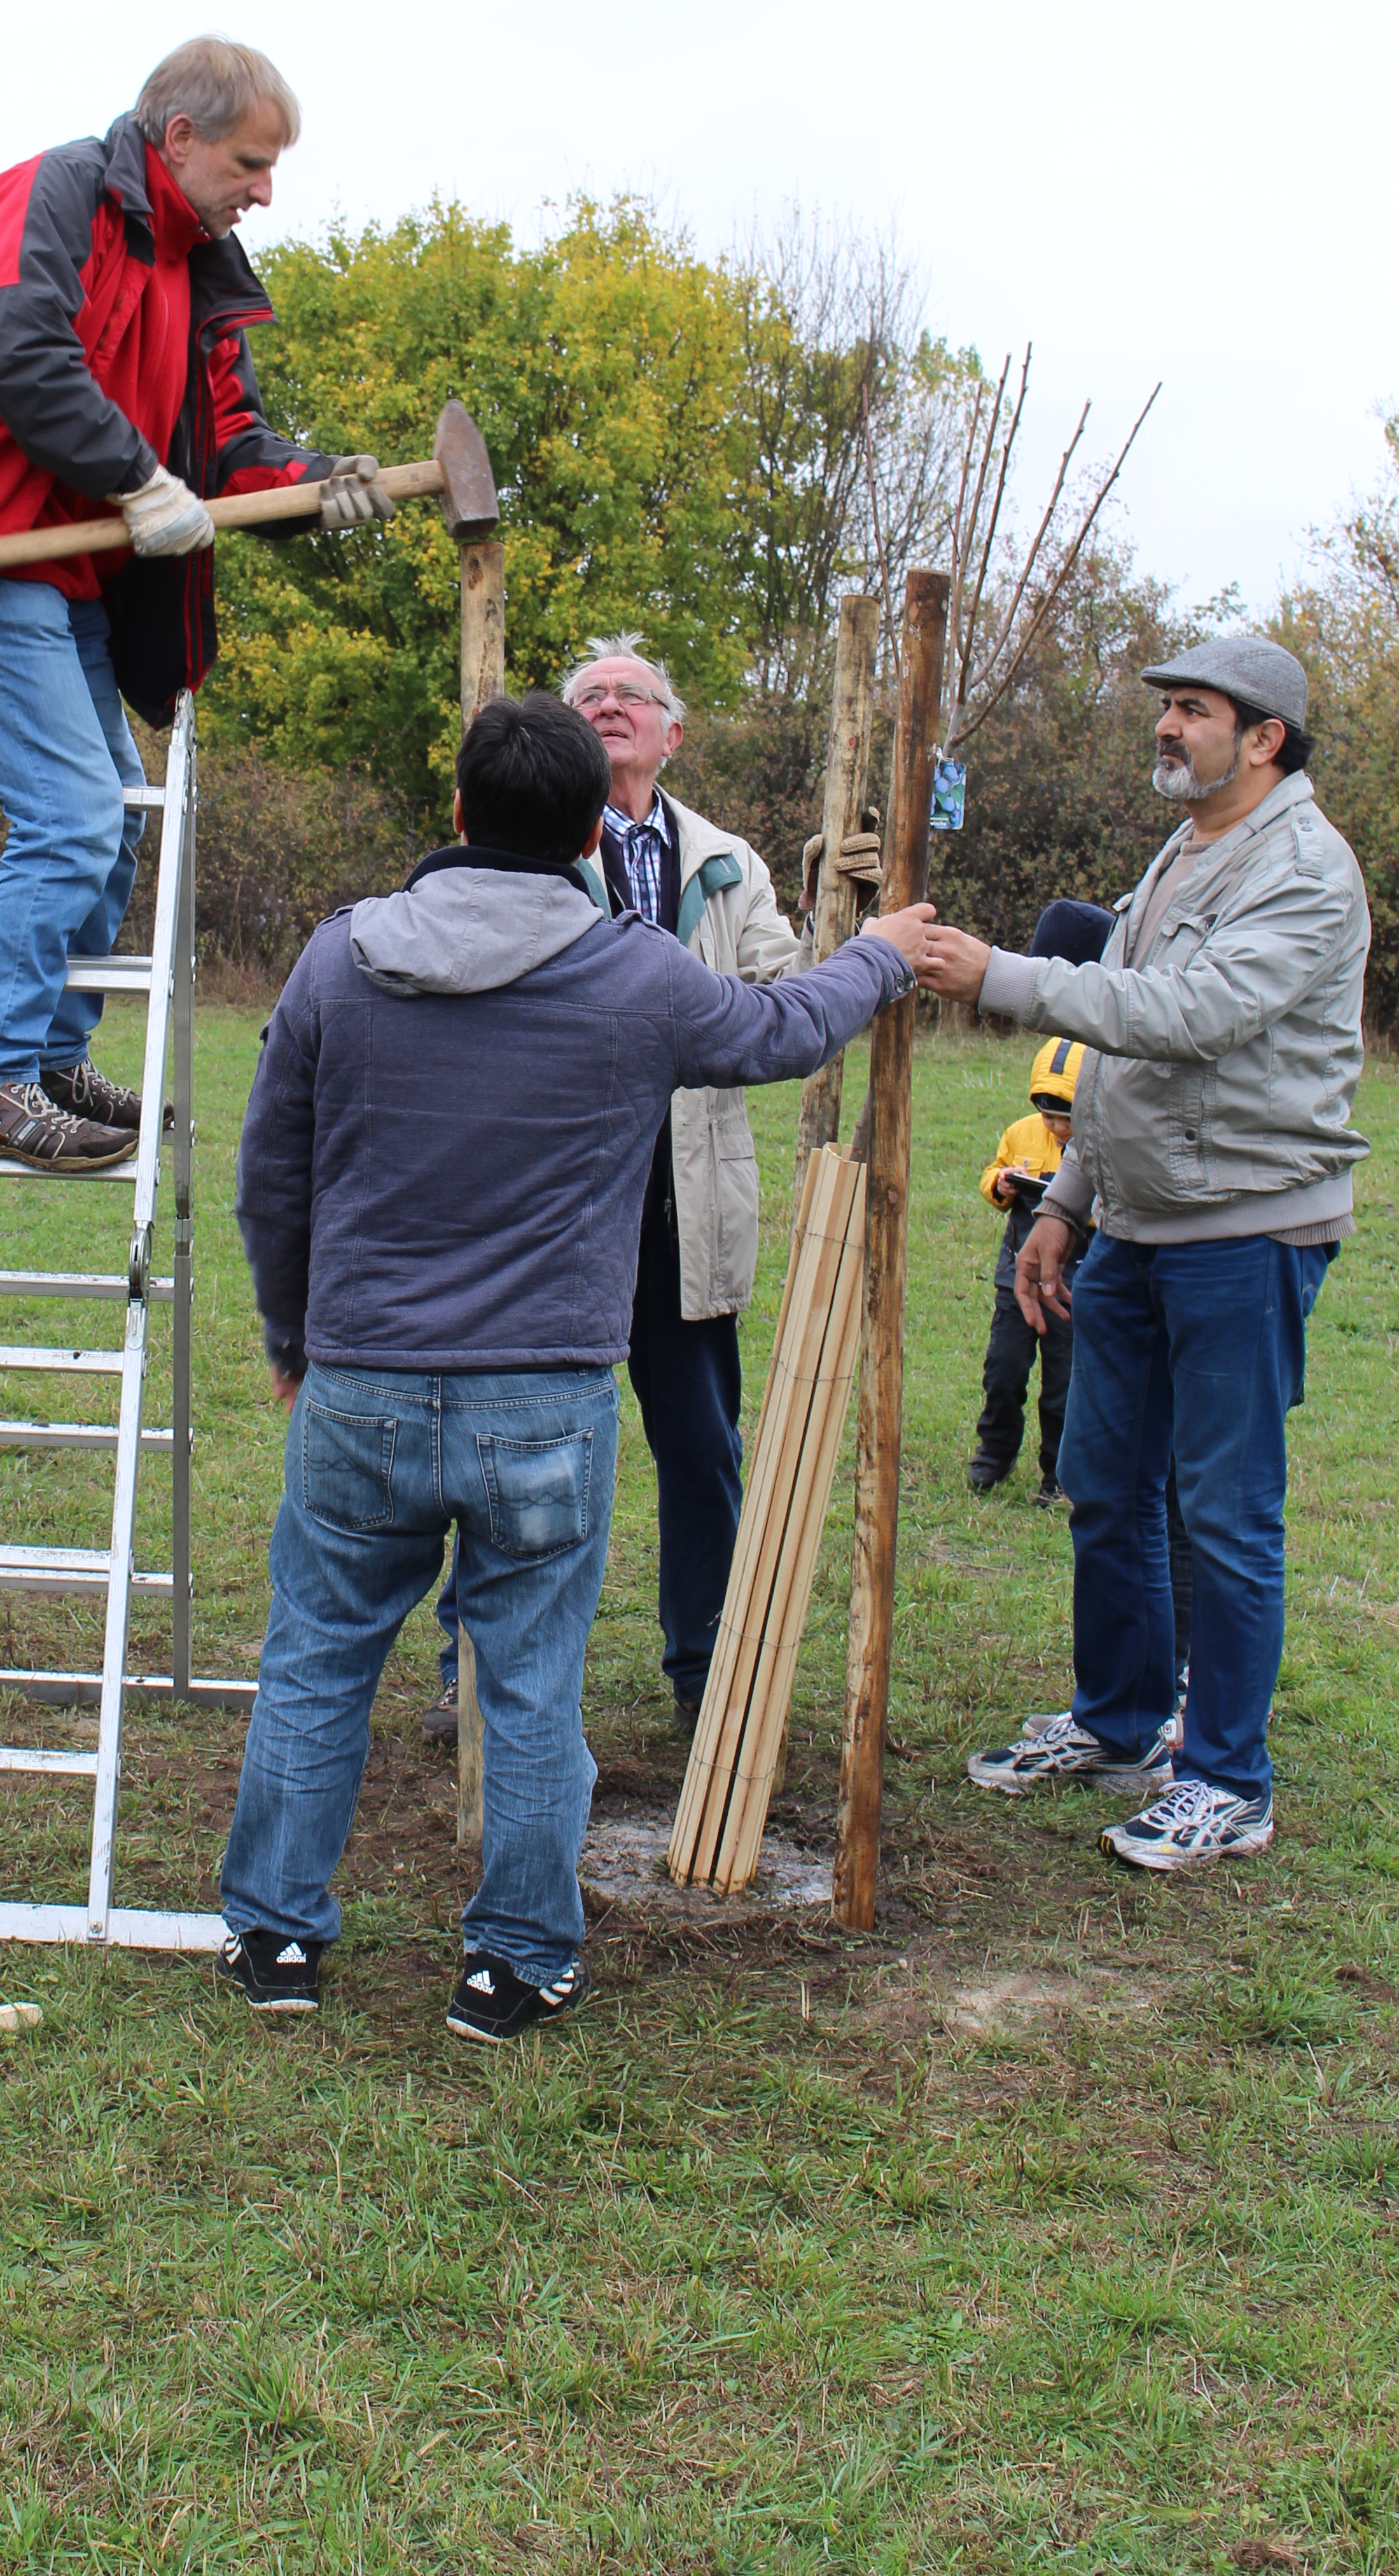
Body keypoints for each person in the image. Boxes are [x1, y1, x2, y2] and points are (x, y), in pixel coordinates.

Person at [219, 692, 934, 2037]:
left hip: (361, 1383)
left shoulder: (340, 958)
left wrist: (288, 1334)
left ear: (455, 814)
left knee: (318, 1660)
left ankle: (276, 1943)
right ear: (598, 828)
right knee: (534, 1681)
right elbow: (784, 1034)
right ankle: (515, 1962)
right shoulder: (635, 972)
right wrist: (883, 955)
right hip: (542, 1401)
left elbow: (272, 1173)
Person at [0, 37, 389, 1174]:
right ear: (178, 138)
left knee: (116, 816)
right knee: (73, 815)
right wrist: (137, 477)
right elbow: (14, 343)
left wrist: (315, 484)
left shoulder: (201, 268)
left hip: (67, 572)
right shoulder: (59, 190)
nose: (265, 191)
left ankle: (50, 1054)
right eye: (250, 162)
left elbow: (227, 445)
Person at [923, 635, 1368, 1870]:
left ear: (1264, 736)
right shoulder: (1185, 848)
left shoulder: (1304, 870)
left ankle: (1226, 1777)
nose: (1168, 728)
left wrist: (1003, 976)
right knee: (1107, 1485)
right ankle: (1120, 1721)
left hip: (1246, 1225)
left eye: (1192, 711)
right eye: (1167, 709)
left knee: (1224, 1512)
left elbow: (1190, 1017)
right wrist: (1063, 1203)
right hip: (1131, 1223)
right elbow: (1118, 1061)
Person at [422, 636, 881, 1742]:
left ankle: (705, 1664)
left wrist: (846, 916)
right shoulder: (517, 844)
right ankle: (468, 1669)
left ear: (673, 733)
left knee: (701, 1444)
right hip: (554, 1192)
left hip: (682, 1199)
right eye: (591, 696)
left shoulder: (726, 860)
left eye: (635, 695)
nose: (612, 705)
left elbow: (783, 990)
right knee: (509, 1442)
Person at [968, 1035, 1085, 1503]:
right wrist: (1000, 1184)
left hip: (1072, 1280)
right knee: (1004, 1369)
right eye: (1047, 1114)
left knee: (1064, 1381)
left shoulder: (1099, 1146)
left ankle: (1059, 1474)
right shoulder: (1021, 1134)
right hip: (1015, 1273)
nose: (1056, 1126)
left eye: (1066, 1116)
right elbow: (991, 1178)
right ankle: (995, 1452)